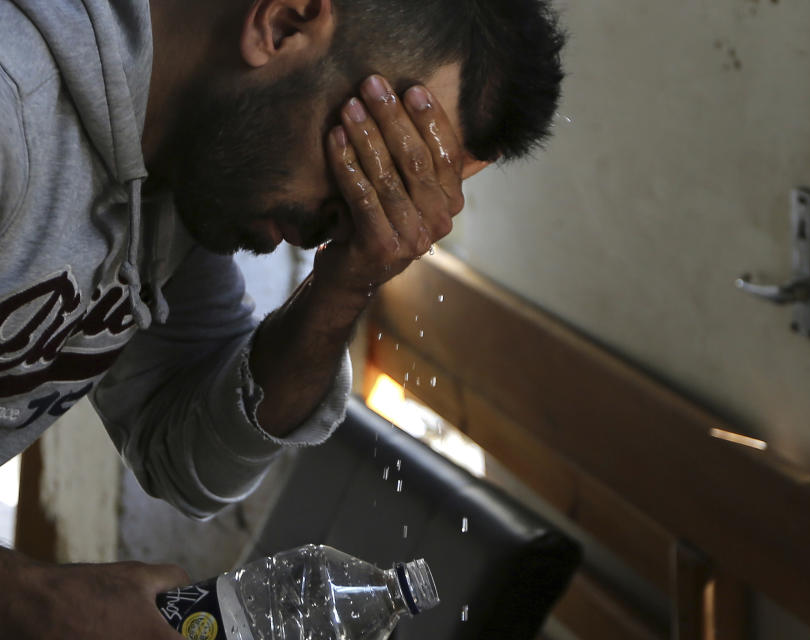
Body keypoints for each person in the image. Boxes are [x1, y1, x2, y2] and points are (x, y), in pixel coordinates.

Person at [0, 0, 565, 636]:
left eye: (392, 187)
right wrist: (32, 600)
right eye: (367, 154)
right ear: (284, 24)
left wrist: (346, 279)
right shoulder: (13, 105)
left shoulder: (173, 177)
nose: (360, 208)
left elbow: (187, 461)